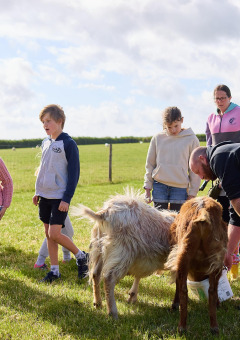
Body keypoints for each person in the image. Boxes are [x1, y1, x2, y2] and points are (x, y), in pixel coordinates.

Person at [32, 104, 88, 283]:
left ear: (59, 121)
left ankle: (81, 256)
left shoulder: (69, 144)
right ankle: (54, 271)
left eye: (48, 121)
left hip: (59, 198)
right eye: (43, 121)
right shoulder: (46, 142)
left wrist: (67, 199)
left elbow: (74, 174)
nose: (44, 124)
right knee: (49, 234)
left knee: (55, 233)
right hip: (44, 196)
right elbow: (43, 169)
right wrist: (37, 191)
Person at [205, 84, 240, 275]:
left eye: (223, 98)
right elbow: (209, 146)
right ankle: (228, 263)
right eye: (216, 99)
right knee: (226, 219)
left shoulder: (239, 113)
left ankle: (235, 268)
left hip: (237, 169)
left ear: (230, 97)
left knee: (237, 217)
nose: (220, 102)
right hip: (221, 173)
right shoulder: (210, 118)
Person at [189, 141, 240, 271]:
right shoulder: (222, 153)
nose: (202, 177)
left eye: (198, 171)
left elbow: (237, 203)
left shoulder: (219, 158)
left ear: (202, 159)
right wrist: (228, 252)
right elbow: (236, 213)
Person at [144, 106, 201, 212]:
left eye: (176, 125)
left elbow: (195, 169)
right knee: (159, 223)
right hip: (159, 185)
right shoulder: (157, 138)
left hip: (180, 187)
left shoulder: (192, 139)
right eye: (169, 127)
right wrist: (147, 188)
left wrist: (192, 193)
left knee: (178, 222)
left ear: (182, 120)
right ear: (164, 125)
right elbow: (150, 164)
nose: (173, 130)